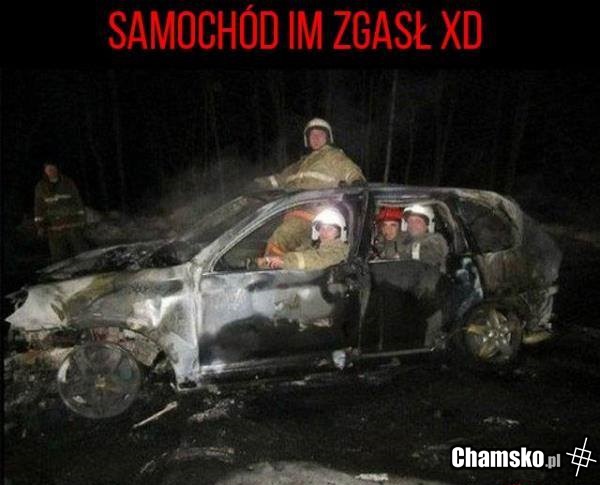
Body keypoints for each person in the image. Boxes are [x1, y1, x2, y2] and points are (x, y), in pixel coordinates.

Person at [253, 118, 366, 256]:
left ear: (328, 138)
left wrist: (356, 182)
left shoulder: (334, 156)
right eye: (313, 135)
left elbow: (351, 171)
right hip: (291, 212)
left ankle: (267, 268)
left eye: (320, 134)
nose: (316, 138)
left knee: (280, 239)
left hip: (314, 215)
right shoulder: (301, 163)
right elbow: (280, 179)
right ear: (307, 139)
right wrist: (257, 183)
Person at [256, 207, 349, 271]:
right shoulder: (313, 244)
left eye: (330, 229)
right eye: (322, 228)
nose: (324, 232)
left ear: (339, 232)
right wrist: (269, 259)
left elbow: (315, 259)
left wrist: (284, 262)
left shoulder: (338, 250)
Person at [34, 162, 87, 262]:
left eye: (53, 168)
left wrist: (82, 220)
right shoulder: (41, 186)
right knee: (58, 258)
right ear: (45, 171)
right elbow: (39, 207)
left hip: (72, 225)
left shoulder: (68, 182)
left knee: (82, 252)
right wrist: (40, 225)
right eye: (48, 169)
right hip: (53, 228)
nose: (51, 171)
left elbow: (78, 201)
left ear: (57, 169)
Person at [396, 204, 449, 272]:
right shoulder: (406, 241)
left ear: (427, 225)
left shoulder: (436, 241)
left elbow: (428, 258)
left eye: (418, 221)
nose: (413, 225)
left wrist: (401, 256)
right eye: (410, 221)